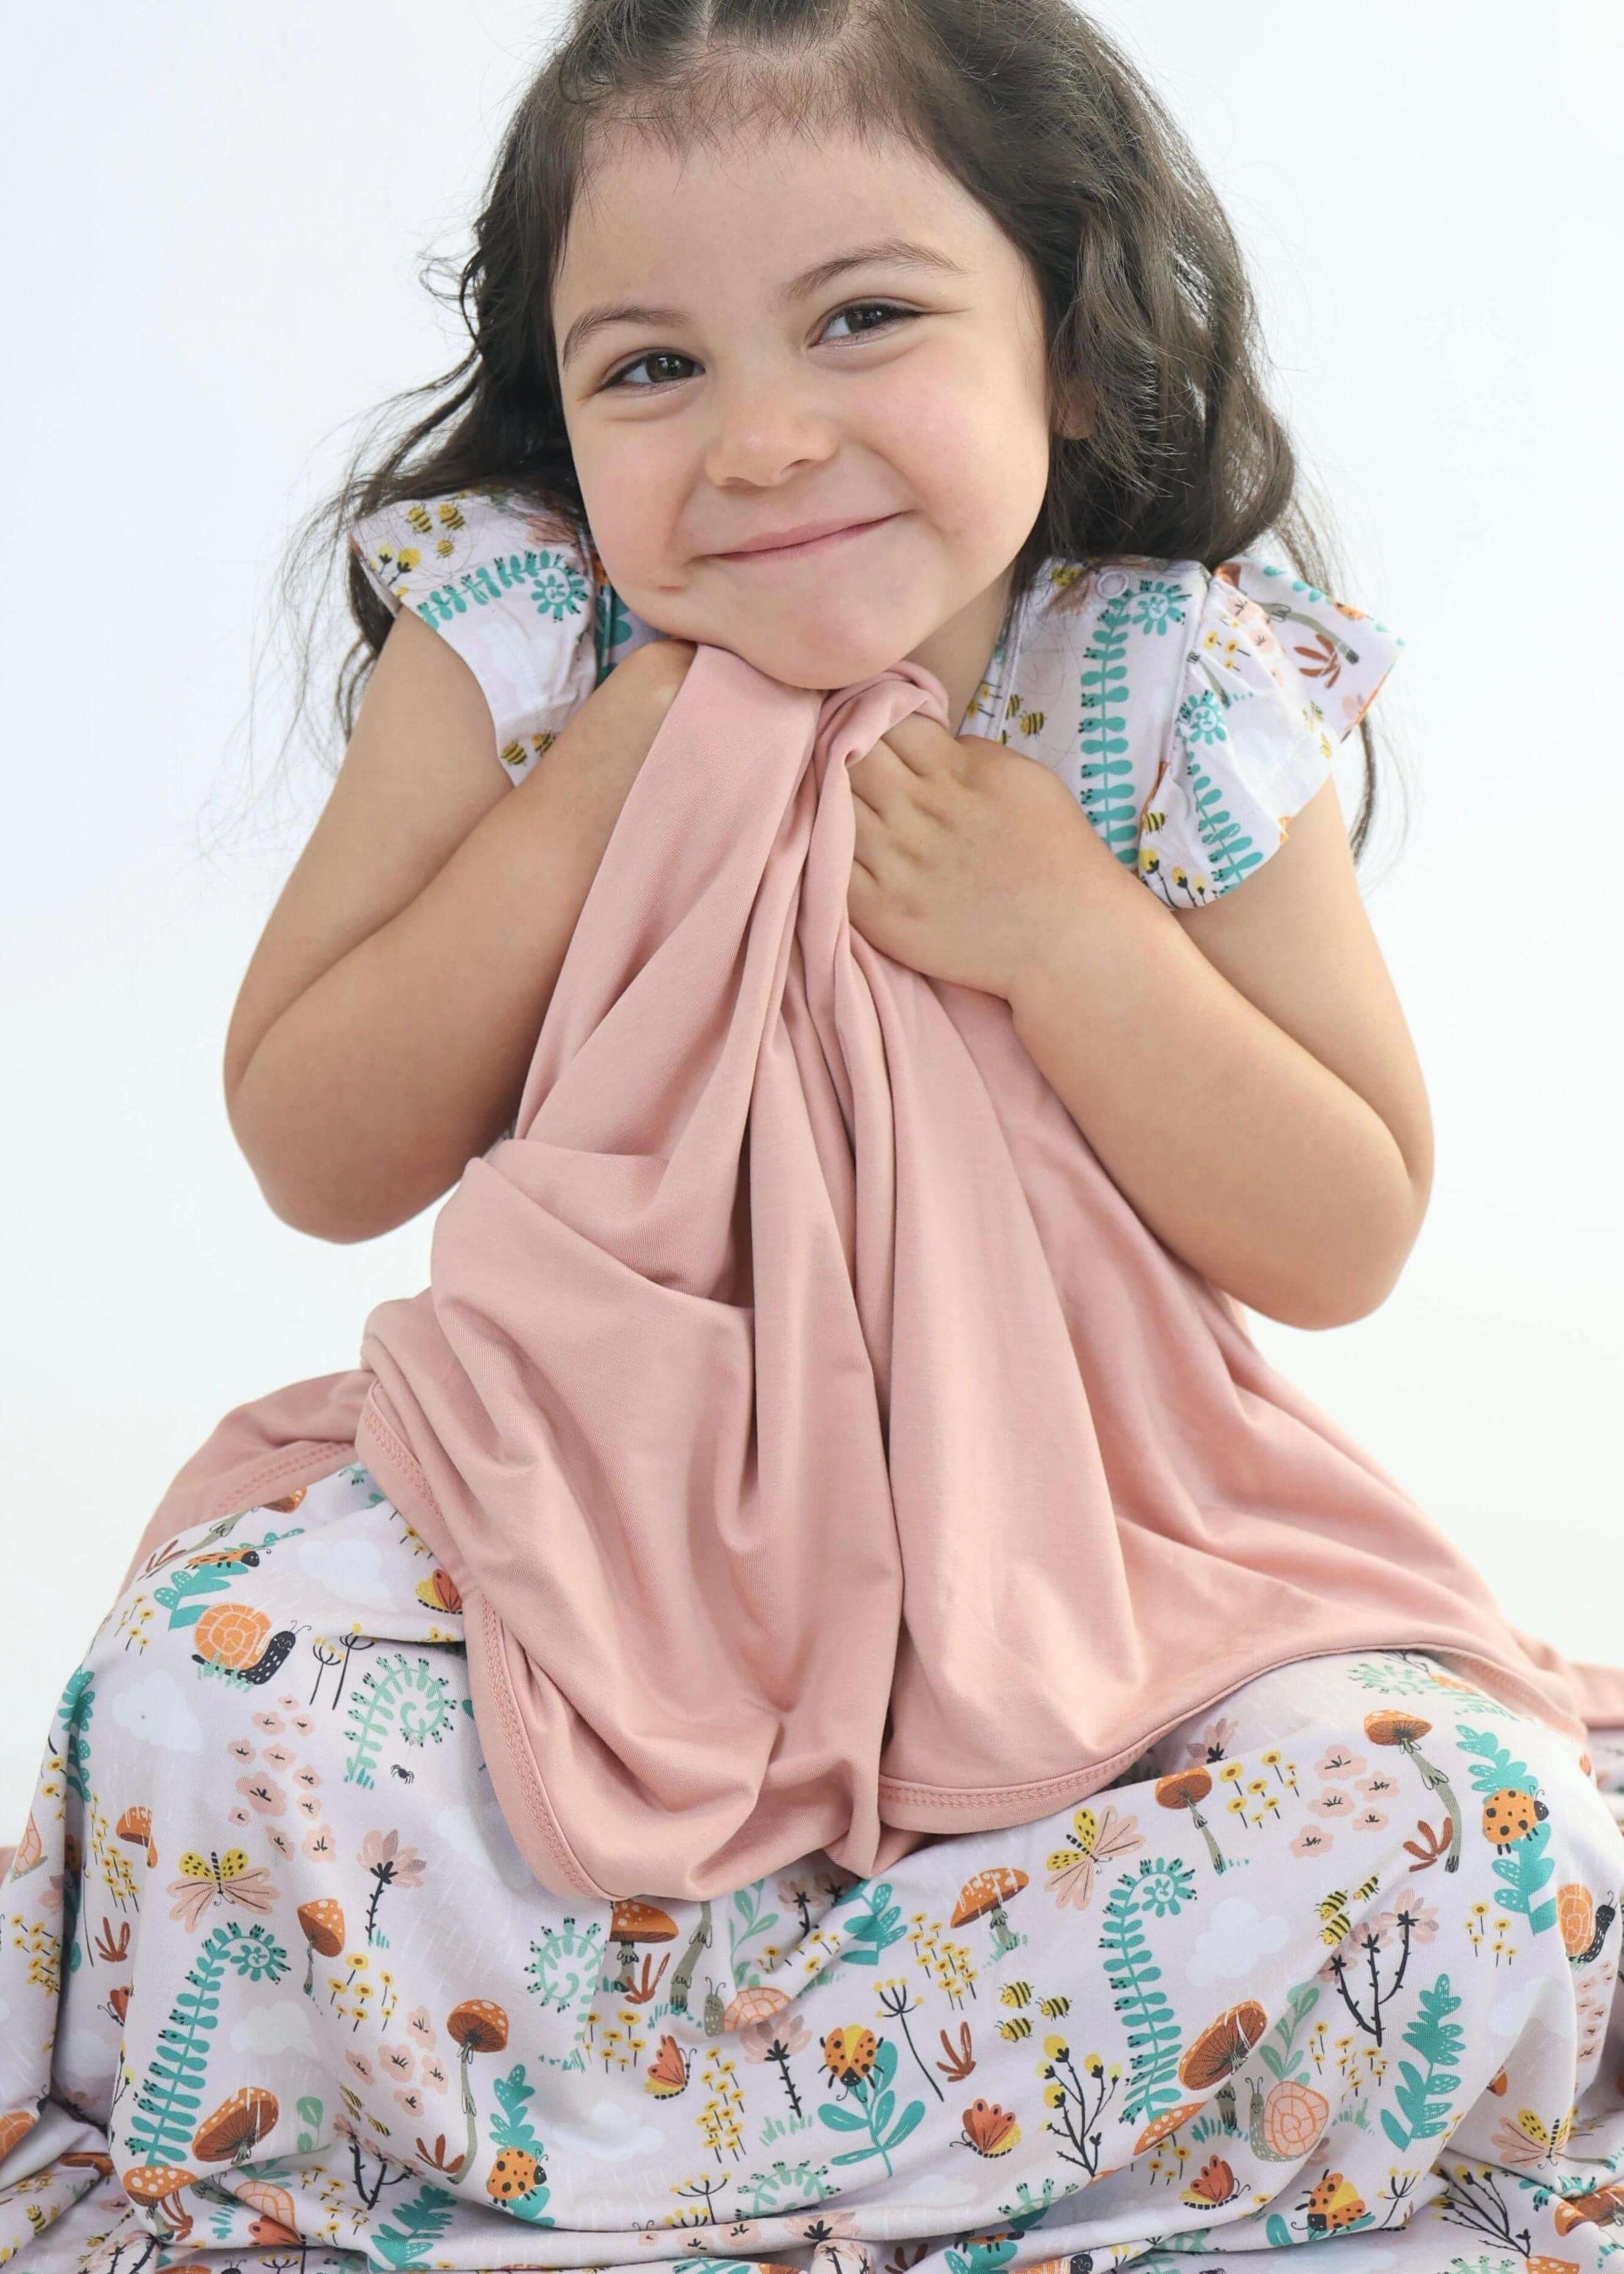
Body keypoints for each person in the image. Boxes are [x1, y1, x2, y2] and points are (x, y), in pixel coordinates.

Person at [4, 4, 1623, 2269]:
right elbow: (314, 1142)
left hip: (1078, 1561)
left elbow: (1340, 1225)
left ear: (1065, 348)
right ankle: (850, 2113)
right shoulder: (533, 643)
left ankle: (670, 2119)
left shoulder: (1149, 684)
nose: (759, 444)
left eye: (860, 321)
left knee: (1470, 1819)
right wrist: (589, 795)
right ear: (560, 413)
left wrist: (1076, 939)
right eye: (649, 369)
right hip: (577, 1512)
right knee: (200, 1695)